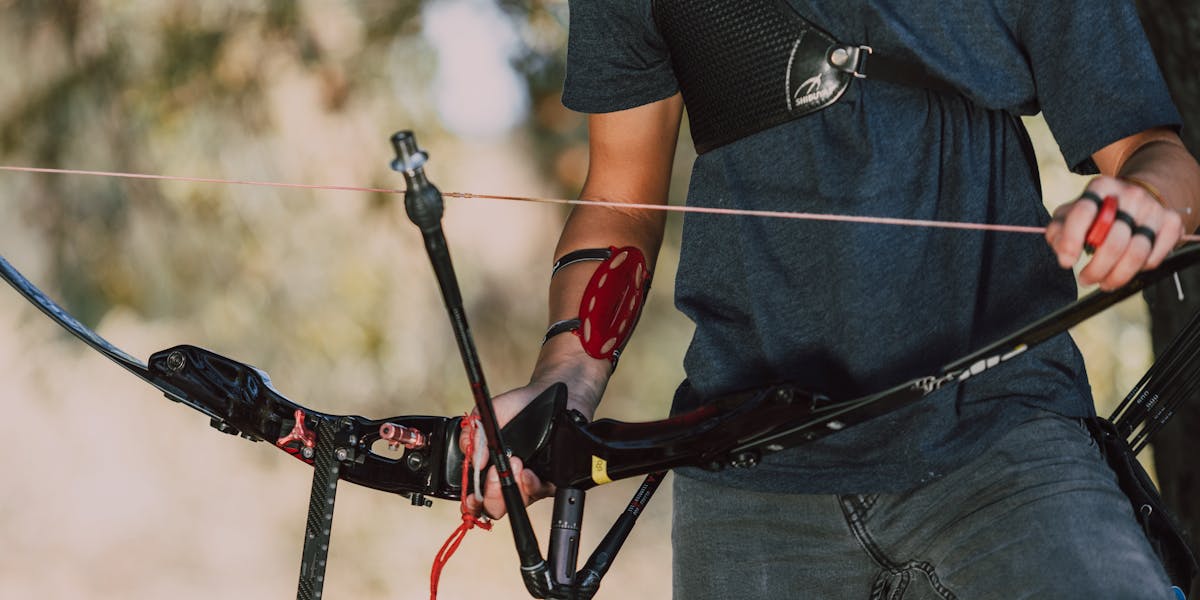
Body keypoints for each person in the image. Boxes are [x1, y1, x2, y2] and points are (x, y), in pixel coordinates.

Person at [467, 0, 1200, 597]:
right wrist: (564, 379)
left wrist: (1143, 200)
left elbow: (1155, 155)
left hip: (1006, 444)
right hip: (748, 481)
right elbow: (622, 201)